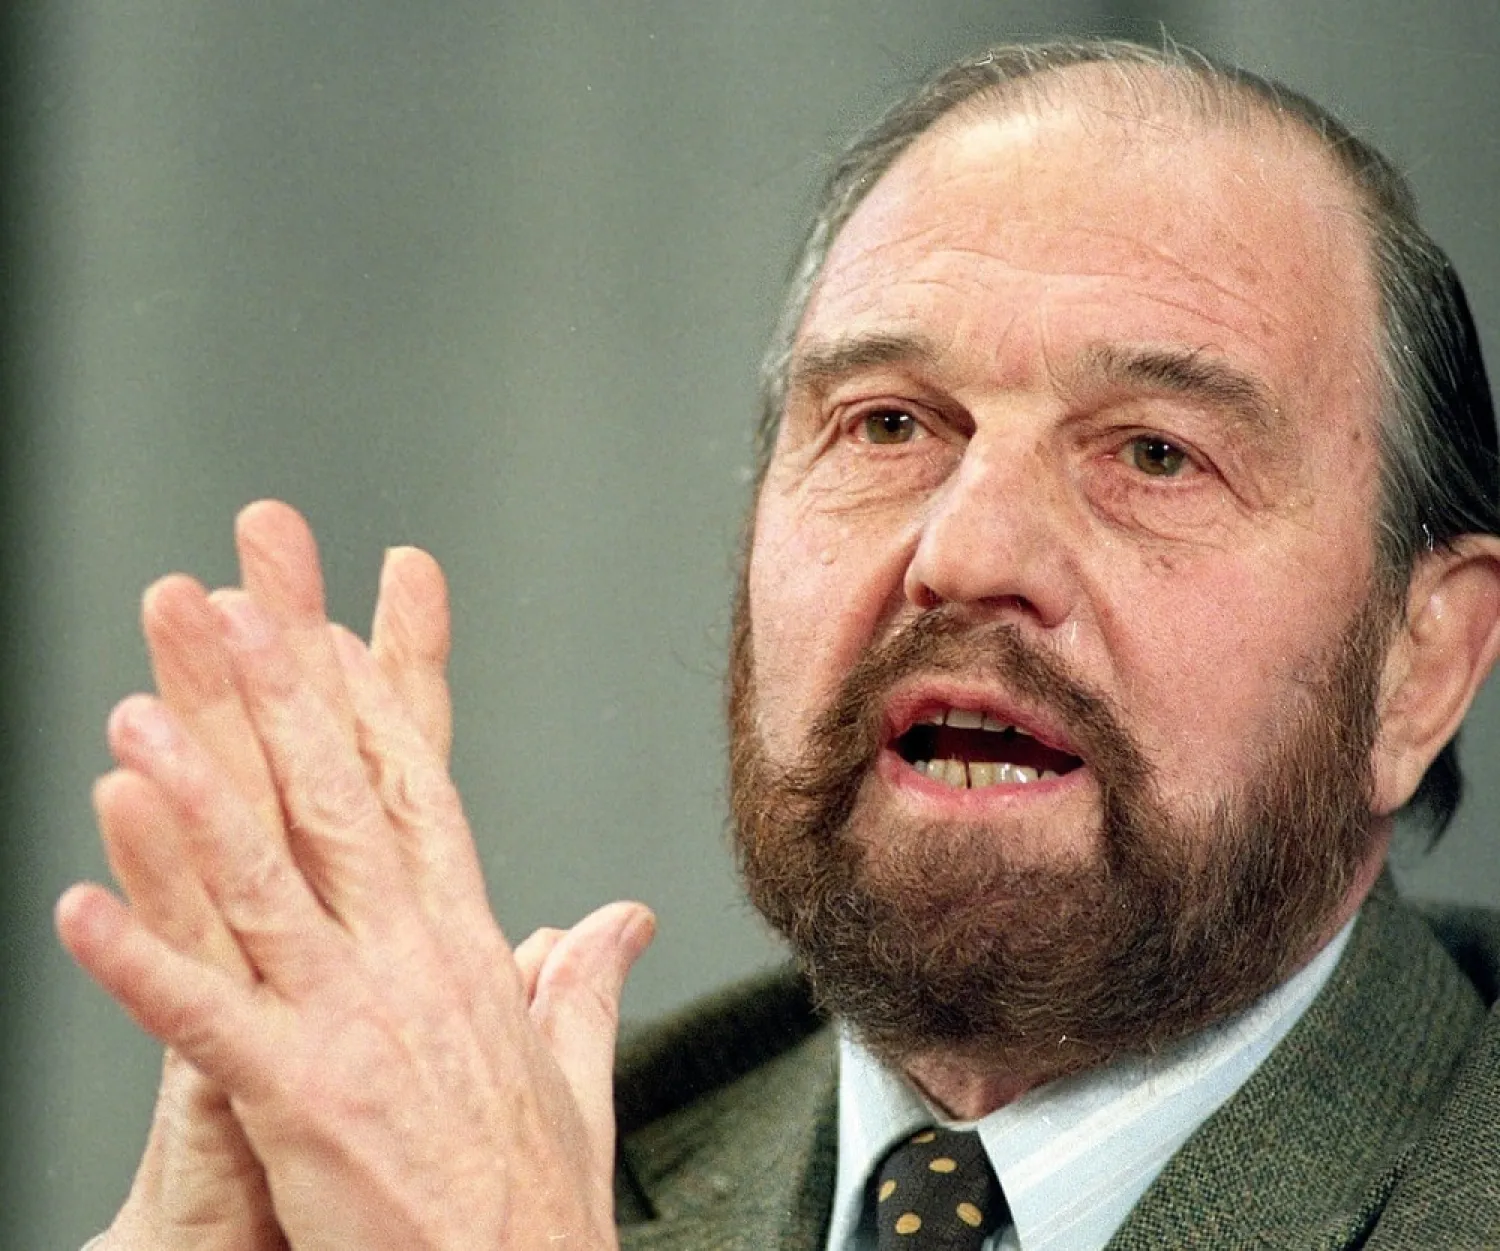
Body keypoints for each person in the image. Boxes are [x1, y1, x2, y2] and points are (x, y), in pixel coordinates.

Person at [56, 37, 1500, 1251]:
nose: (967, 553)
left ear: (1420, 664)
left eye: (1155, 454)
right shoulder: (592, 1147)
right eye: (887, 423)